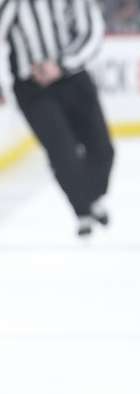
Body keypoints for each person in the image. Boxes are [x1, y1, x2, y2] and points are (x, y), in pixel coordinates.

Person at [0, 0, 113, 236]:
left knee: (103, 149)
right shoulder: (13, 4)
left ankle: (91, 197)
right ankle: (83, 210)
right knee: (63, 153)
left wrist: (61, 65)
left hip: (74, 79)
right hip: (33, 89)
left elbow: (92, 33)